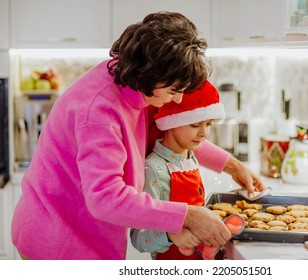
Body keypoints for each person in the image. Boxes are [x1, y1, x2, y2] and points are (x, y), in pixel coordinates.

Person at [11, 11, 264, 260]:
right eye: (175, 91)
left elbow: (170, 132)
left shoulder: (138, 83)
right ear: (151, 75)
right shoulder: (98, 111)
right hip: (58, 244)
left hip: (86, 235)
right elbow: (106, 198)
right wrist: (187, 215)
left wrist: (232, 165)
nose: (177, 99)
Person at [131, 80, 227, 260]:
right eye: (195, 124)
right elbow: (138, 238)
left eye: (209, 124)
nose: (204, 133)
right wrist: (170, 235)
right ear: (171, 122)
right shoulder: (153, 169)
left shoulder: (190, 158)